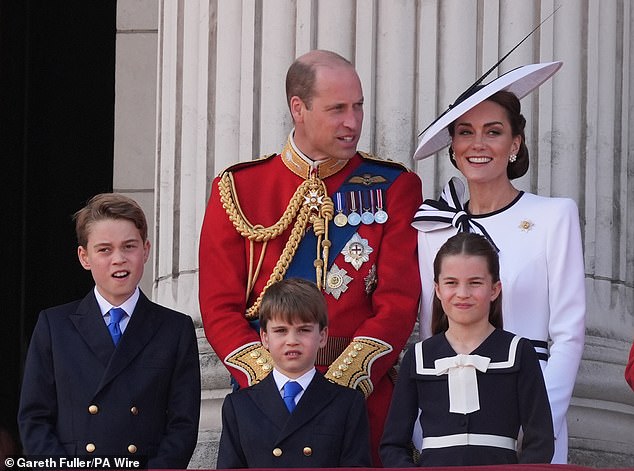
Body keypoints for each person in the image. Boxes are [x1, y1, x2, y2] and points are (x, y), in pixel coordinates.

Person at [199, 49, 422, 464]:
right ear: (298, 108)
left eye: (358, 106)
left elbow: (398, 304)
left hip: (360, 398)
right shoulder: (239, 188)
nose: (353, 121)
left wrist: (336, 388)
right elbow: (218, 308)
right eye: (337, 109)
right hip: (265, 403)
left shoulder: (394, 186)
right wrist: (278, 381)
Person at [411, 62, 585, 463]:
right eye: (465, 132)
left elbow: (569, 335)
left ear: (515, 144)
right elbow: (429, 332)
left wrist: (540, 422)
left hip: (530, 414)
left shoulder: (553, 216)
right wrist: (427, 423)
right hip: (449, 418)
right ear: (452, 146)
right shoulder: (432, 228)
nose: (478, 144)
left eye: (493, 132)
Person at [18, 193, 201, 469]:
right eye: (104, 249)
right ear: (84, 257)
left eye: (129, 246)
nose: (119, 259)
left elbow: (182, 427)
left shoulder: (175, 329)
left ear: (146, 250)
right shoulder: (54, 326)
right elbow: (34, 420)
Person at [380, 232, 554, 466]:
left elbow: (540, 441)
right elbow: (392, 444)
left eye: (475, 283)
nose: (463, 293)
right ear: (438, 290)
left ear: (494, 289)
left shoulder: (519, 352)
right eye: (451, 283)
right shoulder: (419, 357)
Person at [216, 278, 372, 468]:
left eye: (304, 330)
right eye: (281, 330)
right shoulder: (239, 406)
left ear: (322, 336)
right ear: (264, 338)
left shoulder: (347, 403)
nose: (292, 340)